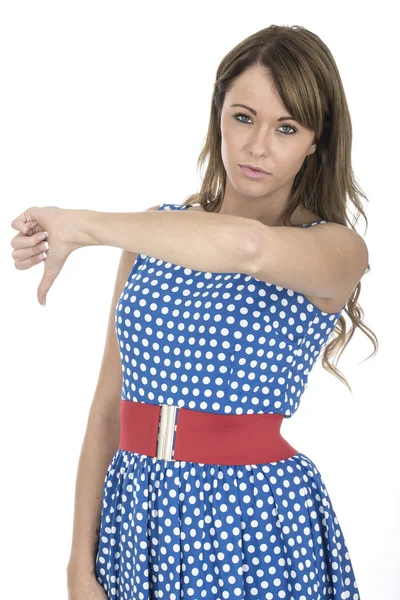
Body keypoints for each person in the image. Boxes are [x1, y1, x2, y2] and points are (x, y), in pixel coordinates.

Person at [10, 24, 375, 600]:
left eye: (287, 127)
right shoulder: (153, 234)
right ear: (218, 115)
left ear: (315, 141)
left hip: (252, 524)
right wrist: (79, 568)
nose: (258, 146)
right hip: (137, 517)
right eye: (243, 116)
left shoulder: (334, 250)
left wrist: (80, 225)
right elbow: (108, 411)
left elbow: (248, 247)